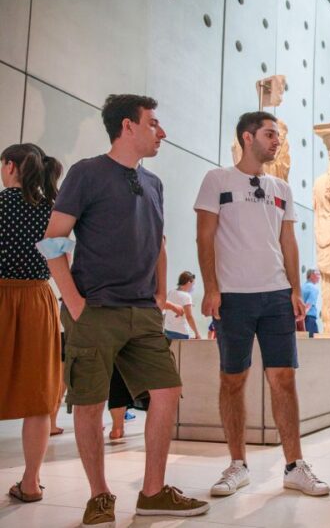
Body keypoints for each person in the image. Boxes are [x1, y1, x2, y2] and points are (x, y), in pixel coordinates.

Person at [44, 94, 208, 526]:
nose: (162, 132)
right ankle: (99, 495)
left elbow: (159, 243)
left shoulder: (154, 183)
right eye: (153, 123)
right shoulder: (87, 173)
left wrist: (158, 295)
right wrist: (75, 303)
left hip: (143, 312)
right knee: (89, 402)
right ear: (127, 126)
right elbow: (54, 241)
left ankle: (153, 492)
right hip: (95, 309)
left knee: (167, 391)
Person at [195, 111, 329, 498]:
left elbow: (288, 241)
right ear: (247, 137)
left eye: (278, 136)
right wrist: (211, 288)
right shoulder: (217, 180)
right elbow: (205, 237)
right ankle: (237, 465)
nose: (277, 141)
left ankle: (294, 465)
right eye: (270, 134)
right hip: (233, 297)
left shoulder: (281, 188)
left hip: (276, 296)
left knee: (284, 378)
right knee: (232, 380)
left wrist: (294, 290)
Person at [1, 144, 62, 503]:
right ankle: (30, 483)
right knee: (39, 397)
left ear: (9, 166)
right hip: (39, 301)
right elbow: (62, 262)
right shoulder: (52, 212)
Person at [164, 271, 201, 340]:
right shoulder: (187, 296)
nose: (193, 287)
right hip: (181, 333)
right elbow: (189, 317)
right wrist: (197, 333)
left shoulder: (171, 292)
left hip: (167, 330)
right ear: (189, 283)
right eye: (193, 284)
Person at [301, 269, 321, 338]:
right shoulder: (313, 288)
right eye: (317, 274)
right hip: (309, 318)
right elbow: (308, 304)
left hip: (301, 319)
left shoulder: (302, 287)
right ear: (311, 275)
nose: (319, 277)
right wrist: (303, 315)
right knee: (313, 341)